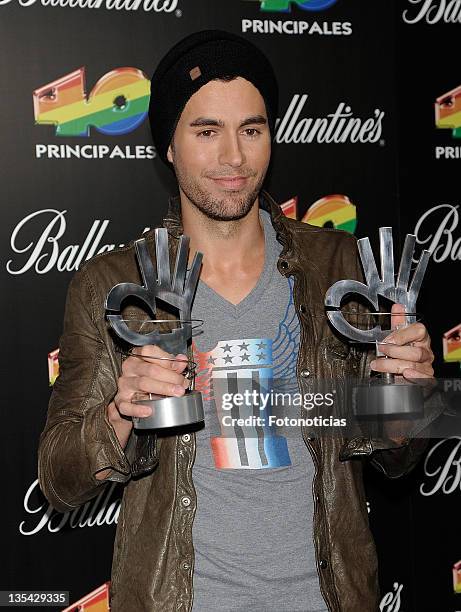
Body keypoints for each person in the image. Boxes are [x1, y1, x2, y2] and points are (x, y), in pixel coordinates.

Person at [38, 30, 437, 612]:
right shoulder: (111, 286)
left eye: (251, 130)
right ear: (168, 147)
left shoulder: (339, 264)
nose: (233, 157)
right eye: (207, 131)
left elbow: (399, 458)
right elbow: (58, 477)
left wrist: (411, 396)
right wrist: (119, 413)